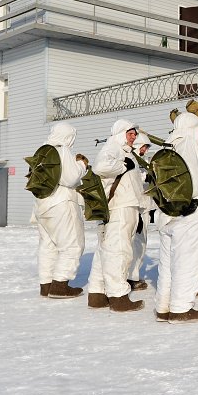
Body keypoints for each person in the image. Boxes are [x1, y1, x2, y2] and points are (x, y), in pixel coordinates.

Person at [154, 112, 198, 323]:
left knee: (168, 265)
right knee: (187, 262)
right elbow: (194, 183)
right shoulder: (188, 145)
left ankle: (163, 307)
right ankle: (181, 309)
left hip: (168, 214)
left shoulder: (168, 145)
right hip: (190, 214)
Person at [88, 119, 146, 313]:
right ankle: (118, 296)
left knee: (105, 250)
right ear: (120, 133)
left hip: (121, 205)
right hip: (121, 207)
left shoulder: (122, 151)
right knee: (119, 251)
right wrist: (123, 166)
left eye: (134, 134)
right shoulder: (114, 148)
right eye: (130, 133)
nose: (133, 136)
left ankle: (96, 293)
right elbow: (100, 167)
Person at [35, 122, 89, 298]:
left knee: (48, 245)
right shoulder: (62, 150)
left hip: (42, 206)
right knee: (73, 245)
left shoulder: (42, 151)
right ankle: (60, 285)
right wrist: (81, 165)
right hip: (62, 204)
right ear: (68, 136)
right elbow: (71, 178)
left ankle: (46, 285)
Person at [127, 133, 153, 292]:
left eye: (146, 147)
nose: (144, 149)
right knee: (134, 244)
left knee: (141, 244)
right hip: (136, 208)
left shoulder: (144, 162)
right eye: (142, 146)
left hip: (144, 207)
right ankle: (130, 277)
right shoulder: (132, 161)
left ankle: (134, 275)